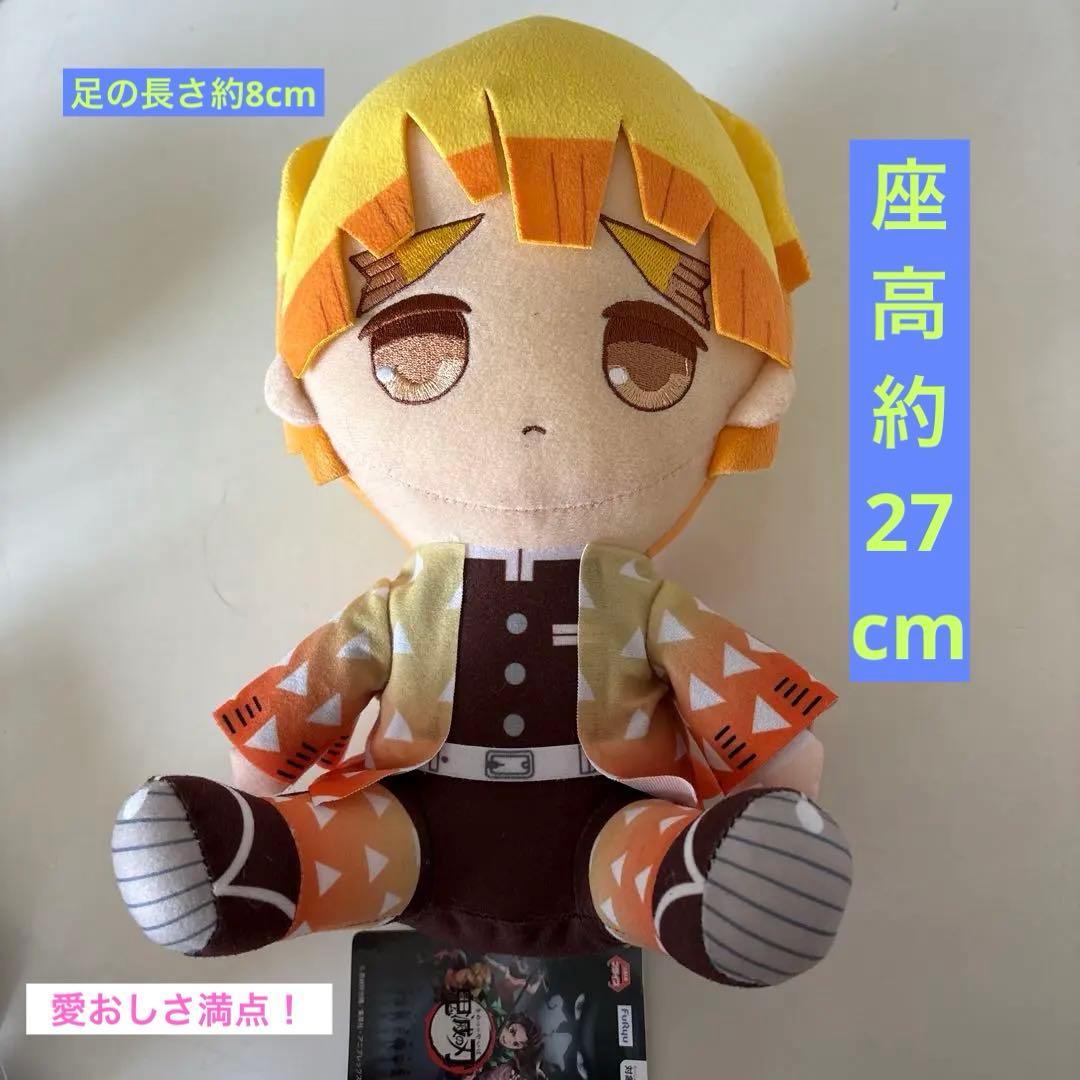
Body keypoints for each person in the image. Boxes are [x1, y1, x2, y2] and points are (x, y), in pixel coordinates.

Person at [111, 16, 851, 989]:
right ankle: (262, 867)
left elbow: (718, 678)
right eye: (415, 352)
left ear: (749, 388)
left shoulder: (640, 605)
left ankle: (691, 889)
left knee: (642, 854)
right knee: (353, 842)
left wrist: (771, 771)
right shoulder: (404, 609)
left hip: (609, 818)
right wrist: (263, 784)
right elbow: (329, 675)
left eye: (648, 356)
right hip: (410, 822)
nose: (532, 417)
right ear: (305, 390)